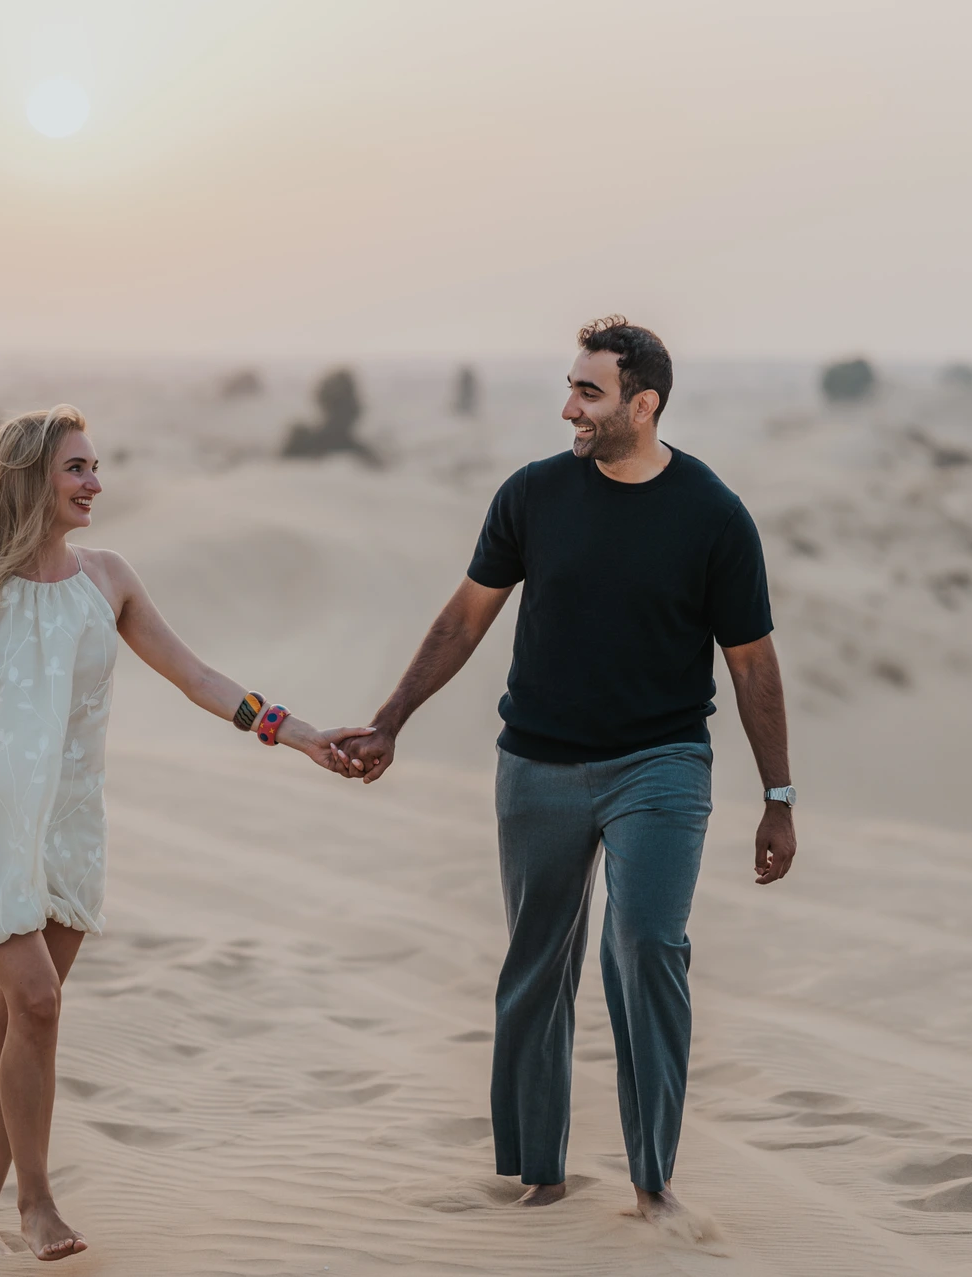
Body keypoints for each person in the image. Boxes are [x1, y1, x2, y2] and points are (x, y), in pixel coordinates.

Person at [0, 405, 369, 1261]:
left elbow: (198, 675)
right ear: (30, 477)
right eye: (77, 468)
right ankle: (38, 1205)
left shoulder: (108, 578)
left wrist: (298, 732)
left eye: (96, 467)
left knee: (14, 1024)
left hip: (68, 825)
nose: (95, 483)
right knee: (36, 1001)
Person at [341, 317, 797, 1240]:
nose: (569, 408)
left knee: (646, 946)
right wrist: (391, 718)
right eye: (570, 387)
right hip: (537, 763)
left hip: (660, 764)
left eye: (588, 392)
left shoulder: (713, 515)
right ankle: (538, 1175)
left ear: (645, 402)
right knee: (535, 961)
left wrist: (778, 798)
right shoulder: (534, 495)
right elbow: (465, 619)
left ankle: (653, 1179)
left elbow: (753, 664)